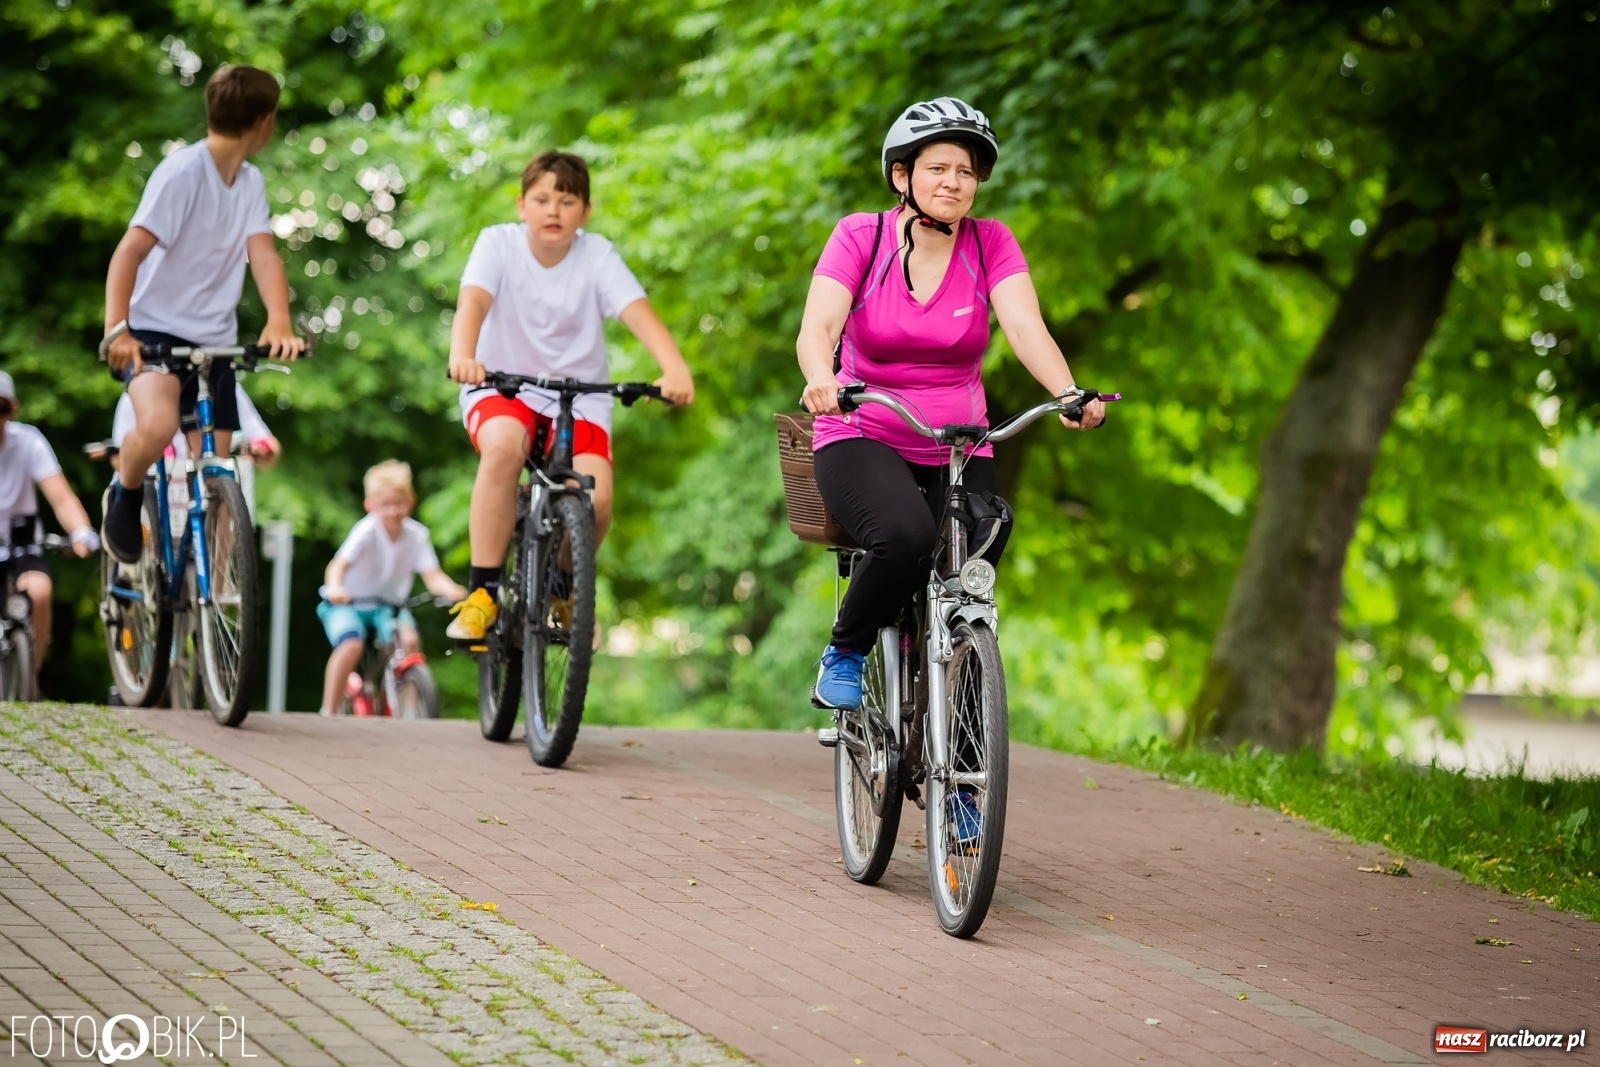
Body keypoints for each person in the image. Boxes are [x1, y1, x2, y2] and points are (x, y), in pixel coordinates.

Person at [796, 97, 1106, 711]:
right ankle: (847, 650)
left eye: (965, 171)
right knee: (906, 536)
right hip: (863, 432)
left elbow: (1024, 327)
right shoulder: (863, 235)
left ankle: (965, 781)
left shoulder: (990, 243)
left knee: (973, 571)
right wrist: (821, 378)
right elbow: (818, 327)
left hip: (960, 444)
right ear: (903, 176)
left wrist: (1067, 392)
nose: (953, 182)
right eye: (937, 168)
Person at [443, 150, 695, 641]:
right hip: (502, 385)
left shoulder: (596, 255)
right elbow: (472, 301)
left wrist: (674, 368)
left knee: (594, 499)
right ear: (521, 206)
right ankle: (483, 595)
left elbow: (637, 312)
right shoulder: (497, 244)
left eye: (567, 199)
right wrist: (463, 353)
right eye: (541, 199)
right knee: (502, 446)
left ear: (585, 211)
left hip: (578, 396)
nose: (553, 210)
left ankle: (561, 585)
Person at [99, 64, 304, 565]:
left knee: (216, 460)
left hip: (212, 337)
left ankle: (200, 581)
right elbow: (129, 252)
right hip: (153, 329)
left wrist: (279, 319)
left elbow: (264, 254)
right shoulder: (183, 173)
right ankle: (125, 495)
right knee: (158, 422)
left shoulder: (249, 181)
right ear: (264, 121)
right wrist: (118, 330)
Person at [317, 461, 466, 716]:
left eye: (399, 503)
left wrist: (451, 590)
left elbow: (433, 576)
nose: (393, 511)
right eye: (385, 505)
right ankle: (328, 710)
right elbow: (337, 566)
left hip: (389, 606)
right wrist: (335, 587)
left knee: (409, 639)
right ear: (370, 506)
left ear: (411, 501)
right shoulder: (366, 530)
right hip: (348, 602)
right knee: (351, 645)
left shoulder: (417, 536)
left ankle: (409, 710)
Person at [0, 372, 99, 675]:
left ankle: (32, 677)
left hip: (21, 545)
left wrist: (81, 532)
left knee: (39, 590)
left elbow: (61, 497)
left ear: (13, 410)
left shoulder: (28, 442)